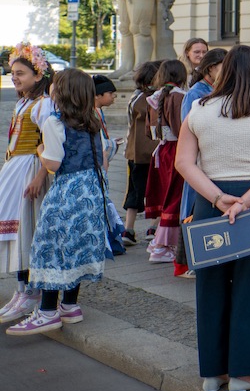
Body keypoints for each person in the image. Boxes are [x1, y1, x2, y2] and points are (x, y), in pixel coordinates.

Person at [175, 45, 250, 391]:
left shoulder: (199, 109)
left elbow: (184, 163)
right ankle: (248, 372)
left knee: (210, 285)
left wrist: (216, 197)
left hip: (212, 200)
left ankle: (214, 373)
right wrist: (245, 201)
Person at [4, 69, 114, 336]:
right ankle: (70, 306)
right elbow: (103, 158)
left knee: (50, 245)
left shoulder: (55, 122)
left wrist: (40, 150)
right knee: (76, 245)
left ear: (62, 92)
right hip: (92, 189)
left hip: (68, 189)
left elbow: (53, 163)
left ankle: (48, 311)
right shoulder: (92, 119)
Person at [0, 47, 55, 324]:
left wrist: (40, 176)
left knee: (27, 230)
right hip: (15, 168)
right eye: (13, 73)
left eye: (20, 73)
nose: (15, 78)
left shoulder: (44, 104)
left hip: (31, 170)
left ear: (38, 74)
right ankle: (21, 290)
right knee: (13, 231)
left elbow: (50, 144)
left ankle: (32, 290)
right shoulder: (23, 102)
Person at [175, 48, 229, 276]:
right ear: (211, 68)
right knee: (195, 208)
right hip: (200, 161)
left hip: (219, 160)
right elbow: (189, 130)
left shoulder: (220, 90)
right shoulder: (196, 93)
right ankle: (193, 261)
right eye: (223, 67)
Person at [143, 60, 188, 265]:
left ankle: (160, 242)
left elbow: (150, 131)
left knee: (167, 195)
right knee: (175, 197)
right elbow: (182, 129)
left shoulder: (155, 97)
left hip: (161, 151)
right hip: (176, 150)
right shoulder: (179, 96)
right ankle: (162, 246)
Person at [120, 60, 161, 247]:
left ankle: (128, 228)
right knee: (159, 189)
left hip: (135, 152)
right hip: (156, 151)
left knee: (134, 190)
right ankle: (154, 226)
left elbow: (130, 124)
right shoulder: (161, 98)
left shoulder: (135, 98)